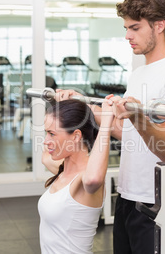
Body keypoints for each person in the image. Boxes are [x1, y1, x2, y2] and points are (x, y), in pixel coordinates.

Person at [56, 0, 165, 253]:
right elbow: (125, 131)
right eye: (126, 28)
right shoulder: (139, 73)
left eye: (134, 28)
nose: (127, 35)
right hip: (128, 197)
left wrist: (137, 116)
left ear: (159, 26)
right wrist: (83, 103)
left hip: (161, 203)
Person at [37, 96, 115, 253]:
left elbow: (94, 178)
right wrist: (63, 103)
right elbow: (45, 158)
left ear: (76, 136)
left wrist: (106, 121)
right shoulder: (63, 170)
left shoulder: (85, 179)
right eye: (46, 133)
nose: (46, 141)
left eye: (52, 134)